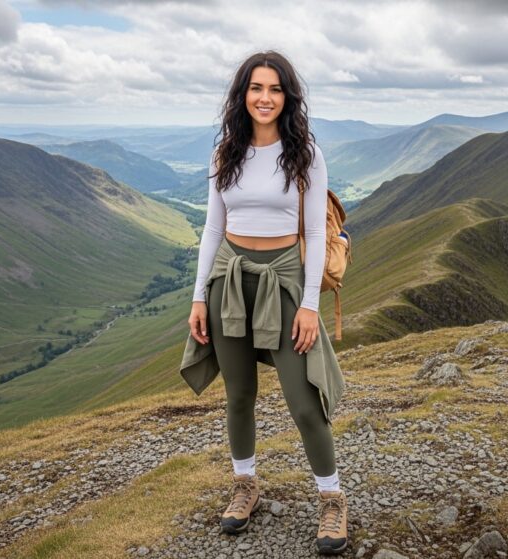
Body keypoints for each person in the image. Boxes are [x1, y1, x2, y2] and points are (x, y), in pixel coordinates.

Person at [182, 50, 348, 555]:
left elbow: (316, 234)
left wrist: (310, 303)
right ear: (242, 95)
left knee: (303, 401)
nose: (265, 98)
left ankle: (332, 499)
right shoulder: (225, 152)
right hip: (229, 279)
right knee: (238, 396)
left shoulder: (306, 155)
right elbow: (213, 227)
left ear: (287, 97)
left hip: (284, 280)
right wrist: (197, 297)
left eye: (275, 89)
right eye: (256, 88)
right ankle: (245, 485)